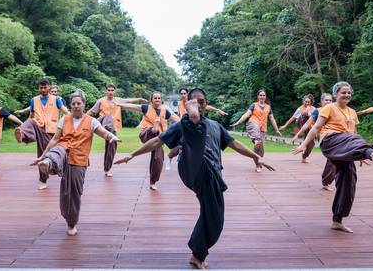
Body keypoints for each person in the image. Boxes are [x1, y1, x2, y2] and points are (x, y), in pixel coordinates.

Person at [115, 88, 275, 269]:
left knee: (214, 217)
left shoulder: (215, 126)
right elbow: (157, 141)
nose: (200, 104)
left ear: (206, 104)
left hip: (211, 174)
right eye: (194, 102)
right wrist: (132, 155)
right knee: (192, 129)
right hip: (191, 166)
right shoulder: (182, 125)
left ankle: (197, 254)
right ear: (187, 104)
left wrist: (257, 157)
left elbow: (235, 144)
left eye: (202, 101)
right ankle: (193, 120)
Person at [293, 82, 373, 233]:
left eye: (349, 93)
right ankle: (372, 154)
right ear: (336, 94)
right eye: (343, 92)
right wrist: (304, 145)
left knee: (349, 180)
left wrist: (358, 154)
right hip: (331, 141)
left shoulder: (352, 112)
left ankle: (337, 220)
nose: (347, 95)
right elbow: (316, 127)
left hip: (347, 147)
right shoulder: (329, 107)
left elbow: (354, 135)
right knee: (351, 141)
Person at [31, 91, 120, 236]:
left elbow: (103, 132)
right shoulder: (64, 119)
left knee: (72, 193)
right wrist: (42, 155)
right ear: (70, 105)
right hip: (63, 152)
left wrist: (111, 137)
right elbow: (55, 139)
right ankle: (48, 163)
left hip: (79, 160)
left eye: (79, 103)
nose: (76, 106)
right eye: (73, 104)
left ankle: (71, 223)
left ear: (84, 104)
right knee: (58, 150)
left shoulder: (91, 121)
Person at [116, 91, 180, 190]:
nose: (157, 100)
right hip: (146, 133)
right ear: (151, 100)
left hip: (157, 138)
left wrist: (187, 122)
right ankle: (155, 128)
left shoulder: (165, 111)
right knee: (155, 126)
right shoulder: (146, 107)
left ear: (161, 100)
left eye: (159, 98)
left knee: (158, 158)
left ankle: (153, 182)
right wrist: (119, 104)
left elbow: (176, 118)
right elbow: (132, 106)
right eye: (155, 98)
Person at [14, 78, 69, 190]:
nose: (43, 89)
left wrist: (68, 121)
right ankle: (22, 136)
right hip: (38, 126)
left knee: (44, 155)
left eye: (45, 87)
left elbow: (66, 112)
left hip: (51, 130)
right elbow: (31, 115)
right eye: (41, 87)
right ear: (38, 88)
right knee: (30, 122)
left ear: (49, 87)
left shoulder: (57, 99)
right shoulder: (34, 100)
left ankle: (54, 172)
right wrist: (24, 127)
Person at [86, 83, 148, 177]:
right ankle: (109, 133)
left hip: (113, 128)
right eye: (109, 90)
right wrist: (83, 118)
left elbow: (129, 100)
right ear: (106, 91)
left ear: (114, 91)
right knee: (107, 116)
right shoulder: (100, 101)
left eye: (112, 90)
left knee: (111, 148)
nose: (110, 92)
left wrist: (139, 99)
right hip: (103, 124)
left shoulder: (118, 100)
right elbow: (91, 111)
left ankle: (107, 169)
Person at [168, 87, 228, 159]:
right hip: (183, 125)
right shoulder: (180, 104)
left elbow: (206, 106)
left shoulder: (193, 102)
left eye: (184, 93)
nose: (183, 95)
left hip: (192, 125)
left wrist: (217, 110)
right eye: (181, 94)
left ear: (187, 94)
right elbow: (179, 114)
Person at [230, 89, 282, 172]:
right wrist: (238, 122)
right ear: (258, 96)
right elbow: (247, 114)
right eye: (260, 95)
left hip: (262, 128)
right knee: (257, 138)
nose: (262, 96)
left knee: (260, 150)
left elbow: (272, 119)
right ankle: (258, 161)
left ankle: (258, 161)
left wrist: (276, 130)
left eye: (263, 95)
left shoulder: (268, 107)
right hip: (253, 124)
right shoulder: (254, 105)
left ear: (265, 97)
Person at [293, 93, 335, 190]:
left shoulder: (335, 110)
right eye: (326, 100)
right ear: (322, 102)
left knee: (335, 159)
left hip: (335, 136)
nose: (328, 102)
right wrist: (297, 134)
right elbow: (307, 124)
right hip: (324, 137)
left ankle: (327, 181)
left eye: (330, 100)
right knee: (333, 157)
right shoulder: (317, 111)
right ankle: (326, 181)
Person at [279, 94, 315, 163]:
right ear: (303, 101)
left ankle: (304, 157)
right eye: (306, 102)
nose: (307, 103)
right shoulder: (299, 109)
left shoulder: (314, 109)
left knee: (311, 143)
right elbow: (292, 118)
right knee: (304, 113)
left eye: (308, 102)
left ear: (311, 102)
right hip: (301, 124)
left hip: (309, 127)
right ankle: (303, 144)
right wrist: (285, 126)